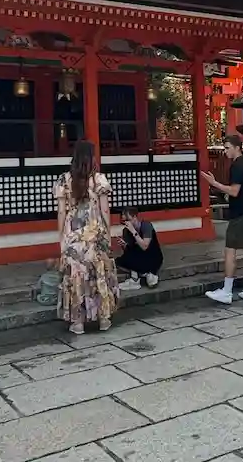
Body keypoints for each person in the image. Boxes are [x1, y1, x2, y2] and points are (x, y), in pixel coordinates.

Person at [55, 139, 119, 334]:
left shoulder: (64, 180)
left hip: (73, 237)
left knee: (76, 279)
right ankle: (103, 319)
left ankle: (78, 322)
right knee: (99, 276)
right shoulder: (99, 180)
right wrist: (109, 234)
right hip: (95, 235)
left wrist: (61, 238)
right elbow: (105, 210)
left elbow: (61, 212)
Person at [202, 132, 243, 304]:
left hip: (240, 214)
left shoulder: (237, 165)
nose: (225, 151)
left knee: (230, 250)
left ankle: (227, 291)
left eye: (227, 148)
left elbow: (234, 191)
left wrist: (214, 184)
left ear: (237, 148)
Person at [115, 206, 164, 288]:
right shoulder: (126, 231)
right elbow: (129, 251)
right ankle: (144, 274)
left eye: (128, 220)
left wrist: (134, 232)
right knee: (119, 261)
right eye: (124, 221)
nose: (127, 223)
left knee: (139, 258)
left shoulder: (146, 226)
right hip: (139, 257)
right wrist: (124, 245)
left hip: (152, 256)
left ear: (135, 217)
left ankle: (141, 275)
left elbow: (145, 246)